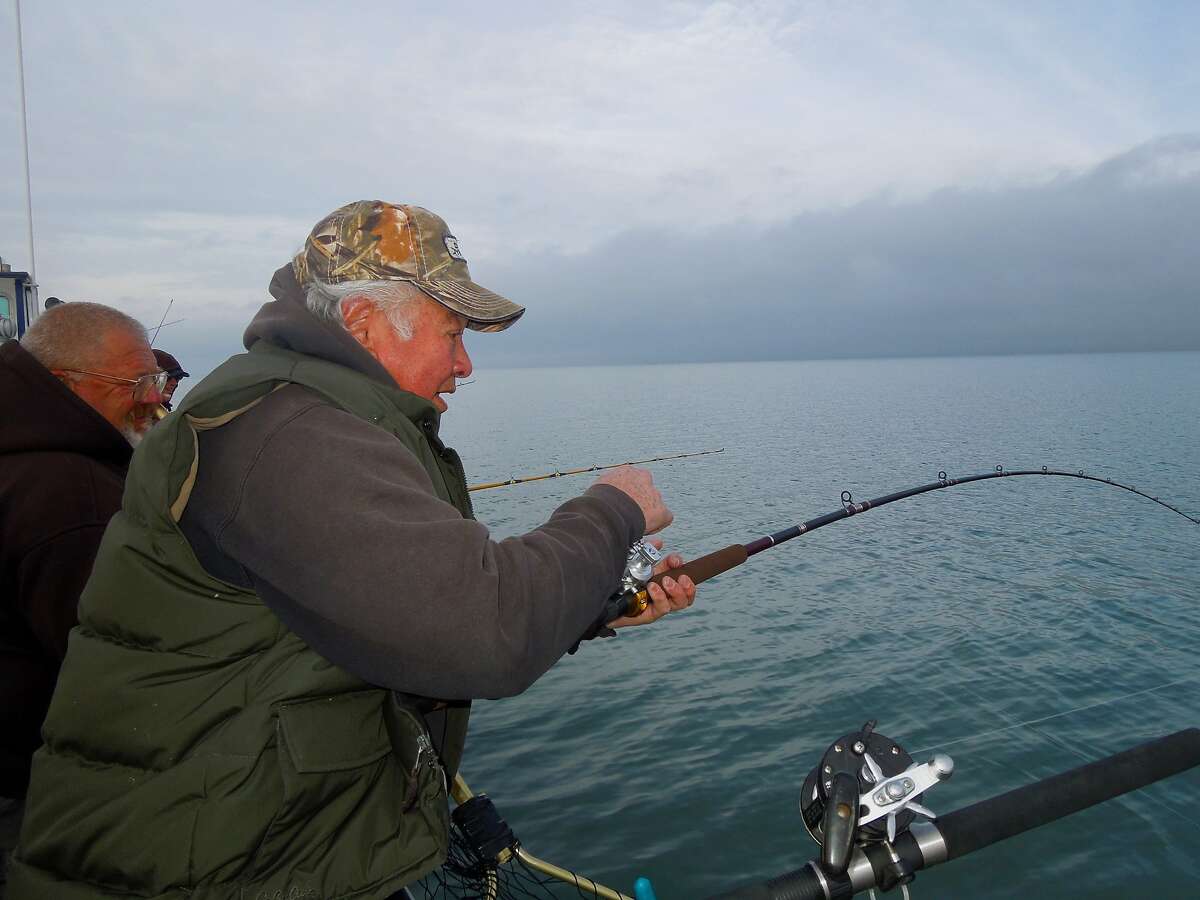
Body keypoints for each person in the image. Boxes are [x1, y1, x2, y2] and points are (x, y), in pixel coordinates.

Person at [9, 201, 696, 900]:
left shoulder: (311, 419)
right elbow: (482, 629)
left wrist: (586, 607)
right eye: (452, 334)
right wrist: (613, 511)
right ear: (366, 322)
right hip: (200, 871)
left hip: (282, 853)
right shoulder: (288, 434)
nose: (464, 365)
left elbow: (397, 619)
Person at [0, 302, 166, 894]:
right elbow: (120, 662)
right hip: (38, 784)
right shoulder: (71, 497)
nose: (153, 399)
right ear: (63, 385)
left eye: (157, 379)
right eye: (135, 383)